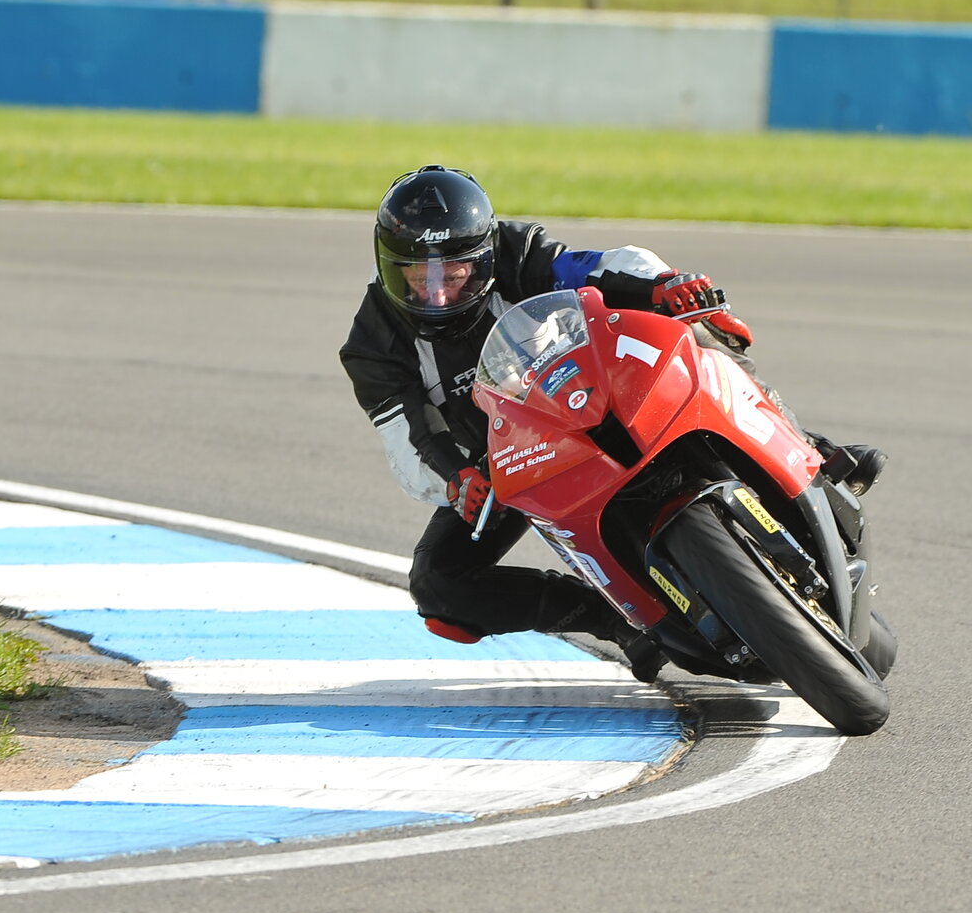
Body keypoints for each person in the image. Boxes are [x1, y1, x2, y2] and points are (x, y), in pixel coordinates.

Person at [339, 165, 884, 681]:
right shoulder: (372, 343)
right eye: (418, 277)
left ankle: (808, 449)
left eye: (454, 275)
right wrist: (457, 479)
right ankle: (615, 619)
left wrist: (664, 285)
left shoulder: (515, 249)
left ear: (482, 258)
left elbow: (597, 268)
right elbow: (407, 433)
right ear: (389, 264)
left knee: (686, 326)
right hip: (510, 460)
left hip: (593, 384)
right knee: (438, 585)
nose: (437, 294)